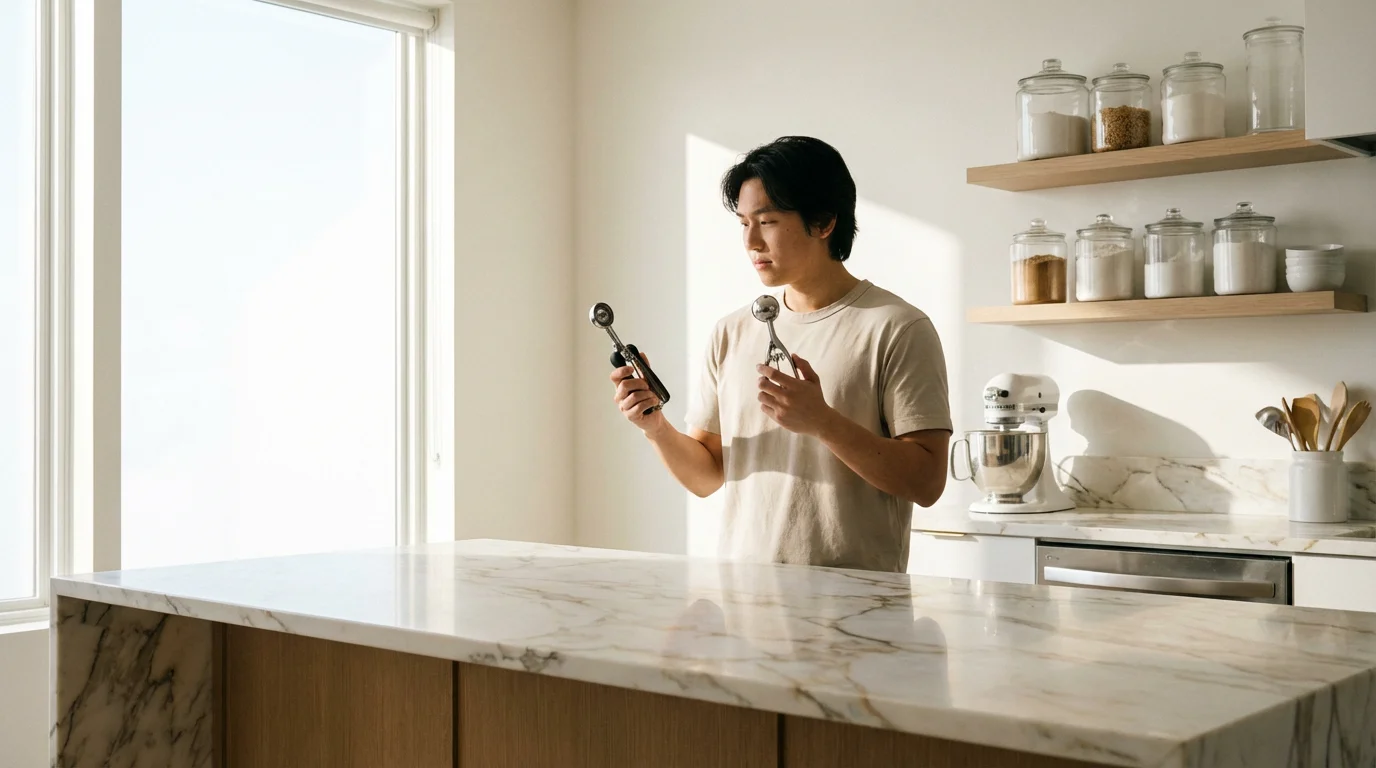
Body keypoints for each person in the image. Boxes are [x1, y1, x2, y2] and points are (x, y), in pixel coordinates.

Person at [609, 136, 951, 573]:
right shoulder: (731, 331)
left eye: (767, 221)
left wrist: (823, 422)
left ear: (825, 221)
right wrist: (655, 427)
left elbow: (925, 483)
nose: (751, 241)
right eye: (742, 223)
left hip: (857, 619)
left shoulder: (897, 327)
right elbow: (707, 476)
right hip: (746, 610)